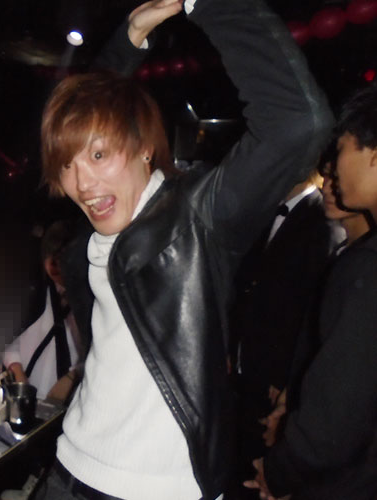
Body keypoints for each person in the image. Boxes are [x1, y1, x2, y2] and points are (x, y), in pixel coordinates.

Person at [34, 0, 333, 498]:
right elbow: (85, 115)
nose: (82, 183)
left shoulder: (196, 216)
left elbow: (297, 121)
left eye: (100, 155)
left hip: (159, 487)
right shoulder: (90, 237)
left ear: (144, 147)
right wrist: (130, 37)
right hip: (68, 467)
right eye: (67, 165)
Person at [246, 84, 377, 500]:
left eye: (341, 149)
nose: (333, 168)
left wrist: (280, 472)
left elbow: (338, 414)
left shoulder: (366, 266)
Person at [227, 170, 344, 497]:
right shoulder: (264, 212)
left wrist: (286, 378)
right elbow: (243, 287)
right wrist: (230, 346)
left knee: (259, 468)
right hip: (244, 368)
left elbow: (310, 312)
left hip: (273, 380)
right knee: (237, 461)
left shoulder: (323, 220)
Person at [3, 219, 85, 402]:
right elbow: (11, 340)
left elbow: (101, 354)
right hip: (28, 398)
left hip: (72, 402)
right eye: (51, 258)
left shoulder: (88, 301)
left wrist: (72, 376)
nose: (54, 266)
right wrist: (18, 373)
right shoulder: (35, 295)